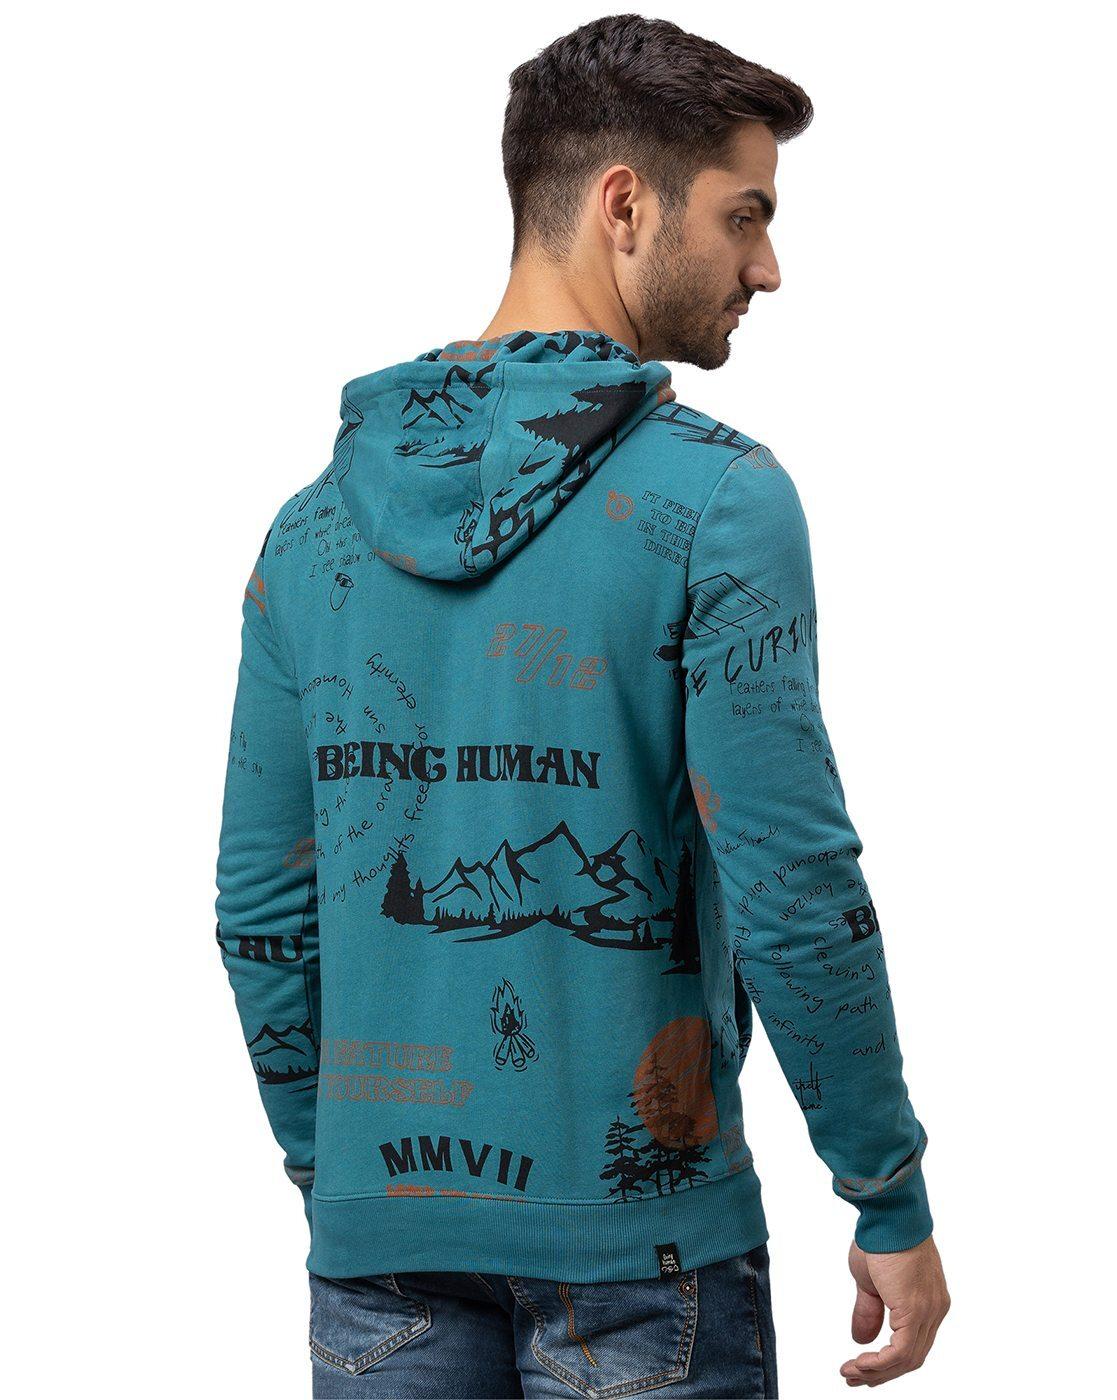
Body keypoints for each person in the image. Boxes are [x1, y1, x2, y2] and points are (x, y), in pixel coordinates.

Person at [214, 14, 949, 1397]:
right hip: (642, 1262)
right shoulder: (718, 500)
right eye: (744, 215)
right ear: (625, 205)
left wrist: (347, 1175)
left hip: (377, 1255)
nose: (766, 267)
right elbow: (791, 882)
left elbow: (262, 905)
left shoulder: (308, 533)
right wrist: (886, 1192)